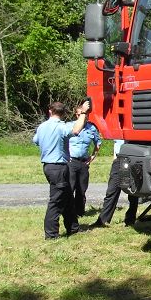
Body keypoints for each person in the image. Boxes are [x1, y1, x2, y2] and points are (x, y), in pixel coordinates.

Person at [32, 100, 90, 240]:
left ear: (50, 111)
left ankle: (73, 228)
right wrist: (83, 112)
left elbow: (36, 141)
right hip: (58, 167)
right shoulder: (60, 127)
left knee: (68, 197)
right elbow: (76, 129)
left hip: (48, 166)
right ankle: (51, 234)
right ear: (64, 114)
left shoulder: (42, 127)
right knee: (56, 201)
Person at [91, 139, 139, 228]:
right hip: (118, 159)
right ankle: (103, 220)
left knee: (133, 192)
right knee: (111, 191)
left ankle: (130, 220)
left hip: (132, 158)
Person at [68, 98, 102, 216]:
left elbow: (98, 143)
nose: (83, 117)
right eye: (80, 114)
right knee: (70, 188)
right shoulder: (70, 126)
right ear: (76, 115)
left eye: (85, 114)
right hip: (71, 161)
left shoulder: (91, 128)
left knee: (82, 189)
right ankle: (69, 212)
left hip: (83, 163)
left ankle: (80, 212)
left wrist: (92, 157)